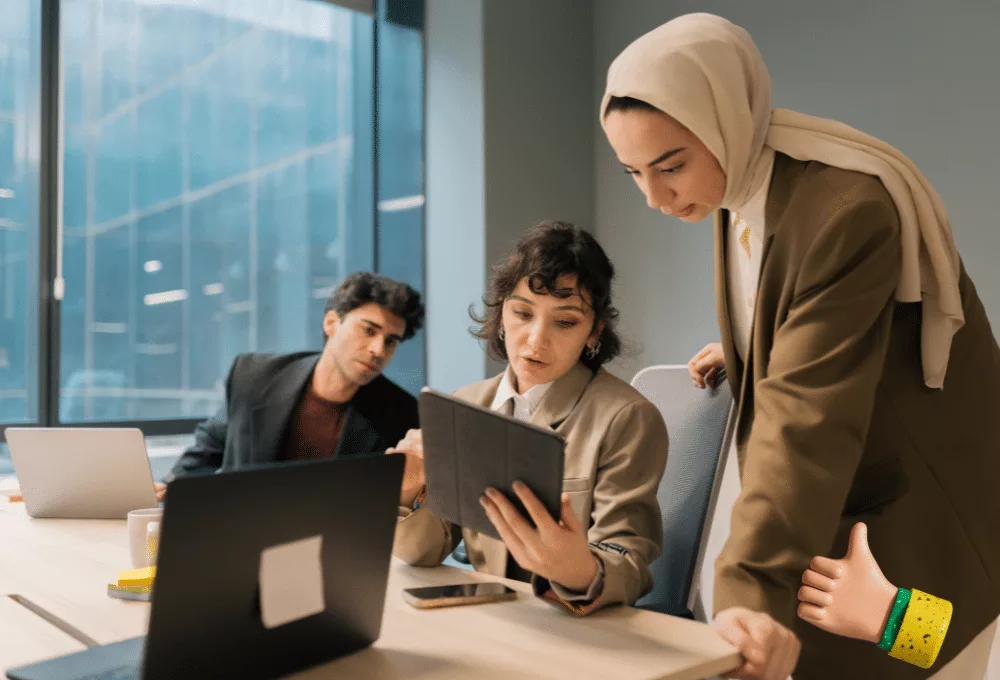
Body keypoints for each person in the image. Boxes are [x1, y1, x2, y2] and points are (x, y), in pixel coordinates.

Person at [601, 12, 1000, 680]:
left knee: (944, 651)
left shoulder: (846, 210)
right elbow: (804, 304)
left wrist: (752, 586)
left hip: (920, 517)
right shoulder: (738, 182)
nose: (654, 196)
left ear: (726, 116)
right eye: (632, 173)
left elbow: (806, 421)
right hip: (860, 531)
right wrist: (759, 345)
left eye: (669, 166)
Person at [390, 221, 668, 614]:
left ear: (594, 332)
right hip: (489, 622)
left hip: (573, 631)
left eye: (566, 321)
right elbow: (428, 549)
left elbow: (630, 565)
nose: (536, 340)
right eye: (523, 313)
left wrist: (579, 569)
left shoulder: (628, 418)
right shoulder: (466, 404)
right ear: (502, 313)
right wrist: (407, 490)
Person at [166, 272, 424, 489]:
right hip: (243, 535)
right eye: (368, 330)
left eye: (391, 341)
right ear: (332, 323)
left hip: (336, 544)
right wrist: (166, 492)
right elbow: (208, 450)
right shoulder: (254, 376)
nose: (378, 350)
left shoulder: (401, 414)